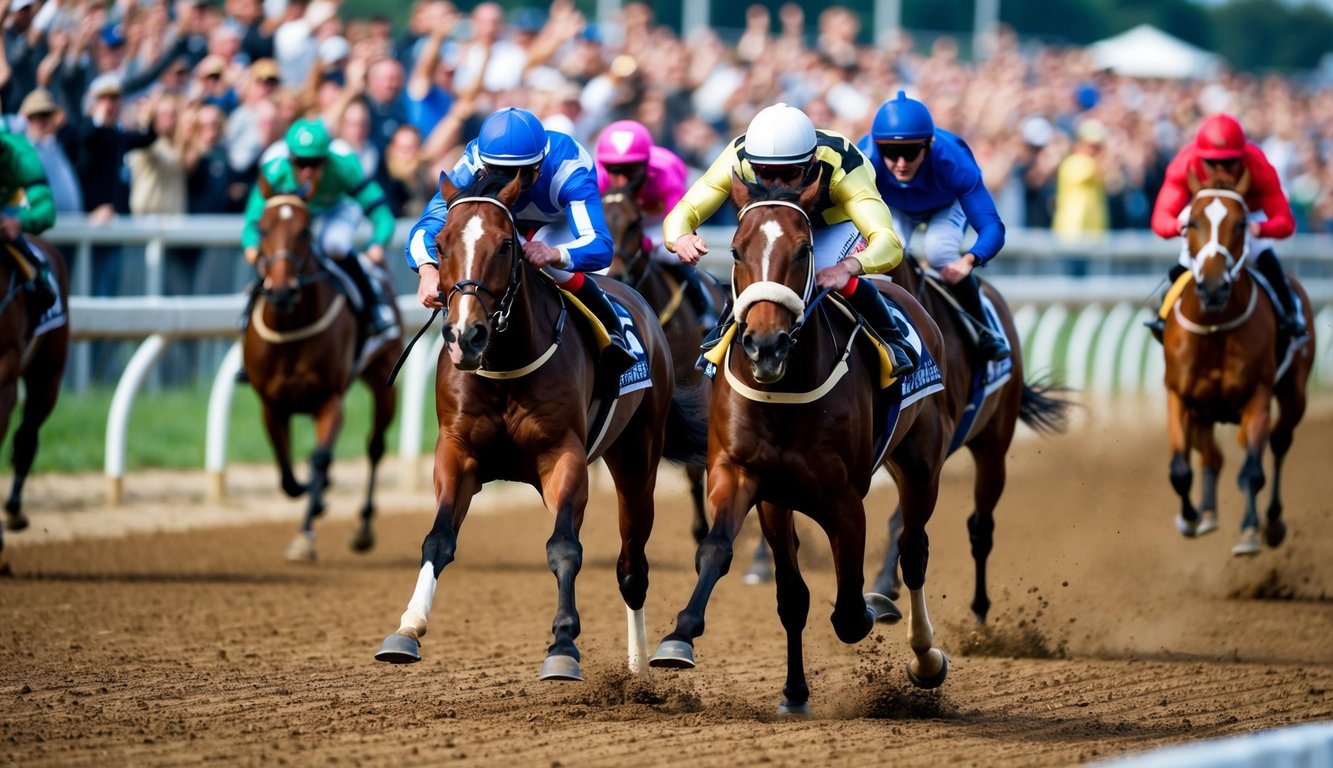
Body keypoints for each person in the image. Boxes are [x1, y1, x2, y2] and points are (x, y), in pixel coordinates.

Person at [664, 102, 917, 378]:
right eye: (764, 173)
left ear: (811, 164)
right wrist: (681, 236)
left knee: (820, 271)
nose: (777, 185)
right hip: (772, 223)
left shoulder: (842, 166)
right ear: (752, 165)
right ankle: (723, 334)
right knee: (753, 268)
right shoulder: (738, 157)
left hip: (832, 225)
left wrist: (848, 267)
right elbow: (685, 210)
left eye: (788, 174)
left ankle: (891, 338)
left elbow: (889, 242)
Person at [405, 106, 635, 376]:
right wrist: (427, 268)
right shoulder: (472, 162)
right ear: (484, 164)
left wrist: (555, 253)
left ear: (539, 166)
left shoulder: (568, 166)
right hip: (500, 222)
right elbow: (428, 225)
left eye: (520, 175)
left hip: (555, 226)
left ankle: (614, 333)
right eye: (498, 173)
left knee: (554, 269)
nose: (509, 185)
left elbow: (600, 245)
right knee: (475, 260)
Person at [859, 91, 1010, 361]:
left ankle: (984, 330)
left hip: (944, 206)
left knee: (939, 250)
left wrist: (968, 261)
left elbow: (992, 228)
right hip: (895, 206)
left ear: (928, 146)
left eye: (910, 152)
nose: (901, 164)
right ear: (877, 146)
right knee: (889, 254)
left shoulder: (954, 162)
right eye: (891, 153)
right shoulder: (866, 159)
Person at [1147, 113, 1305, 339]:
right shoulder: (1184, 164)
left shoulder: (1258, 164)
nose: (1220, 168)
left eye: (1229, 162)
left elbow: (1285, 222)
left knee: (1265, 257)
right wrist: (1179, 226)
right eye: (1212, 163)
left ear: (1241, 156)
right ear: (1200, 158)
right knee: (1185, 263)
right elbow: (1161, 220)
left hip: (1247, 217)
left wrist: (1261, 229)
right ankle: (1162, 315)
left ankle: (1291, 315)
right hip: (1205, 216)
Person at [241, 118, 399, 342]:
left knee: (333, 245)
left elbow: (381, 213)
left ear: (327, 160)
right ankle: (248, 318)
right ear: (290, 159)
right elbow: (253, 219)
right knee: (276, 249)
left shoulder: (344, 166)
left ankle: (374, 306)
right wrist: (251, 247)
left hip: (334, 208)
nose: (307, 171)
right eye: (301, 163)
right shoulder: (274, 170)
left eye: (315, 163)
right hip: (294, 213)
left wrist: (377, 243)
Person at [594, 118, 717, 325]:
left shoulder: (665, 171)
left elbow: (680, 221)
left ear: (645, 165)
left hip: (662, 222)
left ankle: (704, 311)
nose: (622, 180)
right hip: (625, 225)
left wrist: (648, 243)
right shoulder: (598, 177)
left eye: (631, 170)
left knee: (675, 258)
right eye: (615, 170)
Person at [0, 116, 57, 316]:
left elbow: (46, 209)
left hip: (8, 211)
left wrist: (20, 222)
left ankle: (40, 279)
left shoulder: (20, 153)